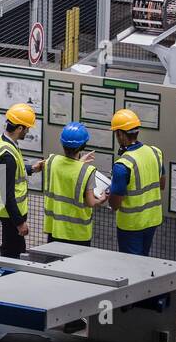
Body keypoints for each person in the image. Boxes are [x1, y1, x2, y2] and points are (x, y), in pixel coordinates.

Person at [107, 108, 165, 255]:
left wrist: (110, 192)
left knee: (131, 266)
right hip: (152, 220)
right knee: (143, 261)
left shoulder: (123, 165)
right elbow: (161, 184)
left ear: (120, 134)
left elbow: (114, 205)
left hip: (131, 225)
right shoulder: (155, 152)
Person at [0, 102, 44, 258]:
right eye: (27, 128)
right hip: (11, 215)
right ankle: (6, 279)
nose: (27, 131)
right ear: (19, 128)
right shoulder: (7, 156)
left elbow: (12, 174)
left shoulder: (3, 142)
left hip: (9, 213)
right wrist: (20, 223)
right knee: (13, 254)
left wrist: (32, 168)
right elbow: (6, 194)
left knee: (14, 250)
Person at [44, 122, 108, 245]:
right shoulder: (87, 171)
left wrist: (78, 162)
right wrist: (102, 199)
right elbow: (90, 202)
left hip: (55, 229)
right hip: (78, 233)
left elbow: (66, 170)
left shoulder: (51, 161)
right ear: (83, 146)